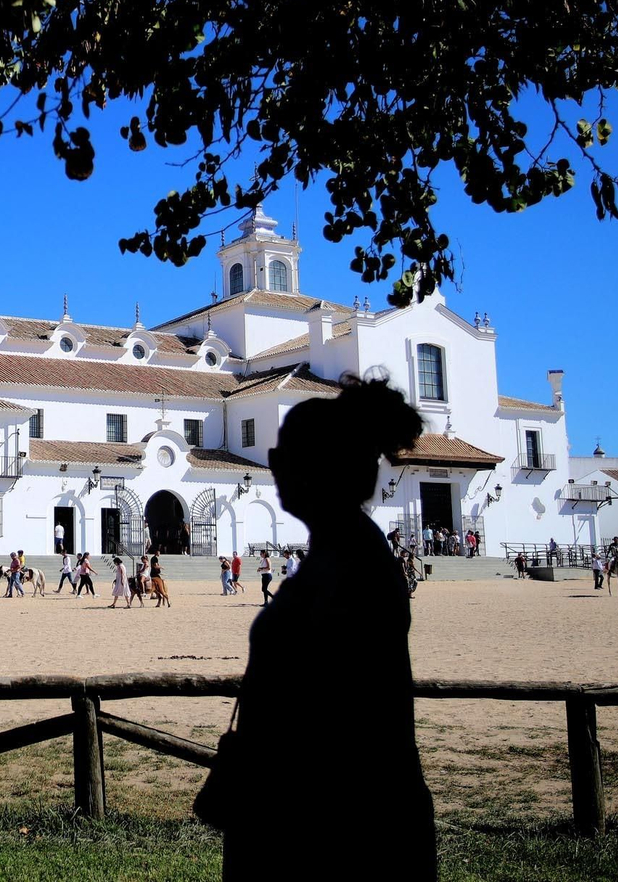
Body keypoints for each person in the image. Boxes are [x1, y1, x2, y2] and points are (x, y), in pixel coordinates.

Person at [216, 375, 434, 879]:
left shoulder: (350, 567)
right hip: (323, 813)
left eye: (283, 454)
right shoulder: (346, 554)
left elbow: (336, 711)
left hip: (330, 825)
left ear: (320, 469)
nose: (273, 466)